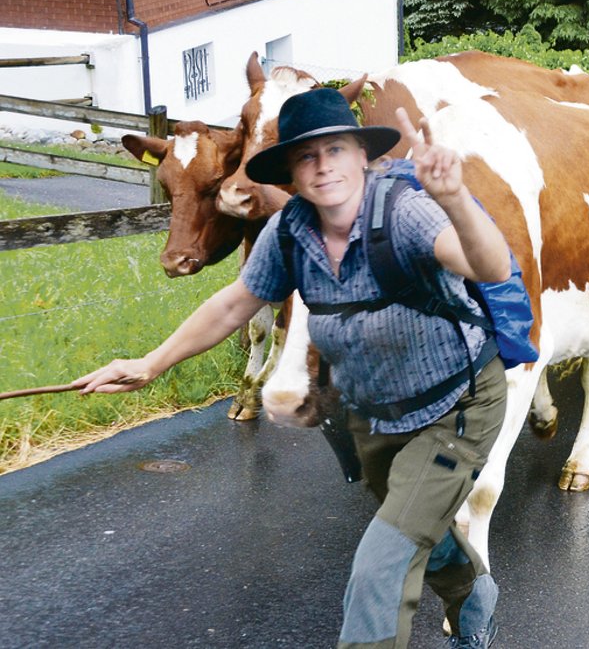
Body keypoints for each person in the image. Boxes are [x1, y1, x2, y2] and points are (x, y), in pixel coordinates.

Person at [76, 88, 511, 649]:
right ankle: (473, 591)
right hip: (372, 415)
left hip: (456, 405)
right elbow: (235, 303)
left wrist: (453, 200)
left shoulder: (404, 211)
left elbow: (490, 264)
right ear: (289, 172)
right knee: (413, 524)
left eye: (336, 149)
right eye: (306, 156)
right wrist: (150, 363)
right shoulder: (291, 233)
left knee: (382, 562)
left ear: (362, 154)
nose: (323, 165)